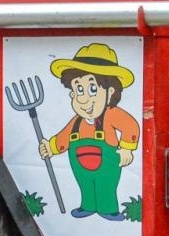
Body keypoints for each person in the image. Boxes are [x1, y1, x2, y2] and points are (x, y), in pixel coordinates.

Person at [37, 42, 140, 220]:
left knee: (105, 185)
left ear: (110, 92)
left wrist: (126, 148)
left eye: (92, 89)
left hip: (107, 161)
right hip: (80, 163)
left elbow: (130, 126)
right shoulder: (76, 121)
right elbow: (64, 137)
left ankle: (108, 208)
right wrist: (51, 147)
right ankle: (88, 205)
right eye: (78, 89)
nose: (83, 98)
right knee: (85, 184)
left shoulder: (112, 114)